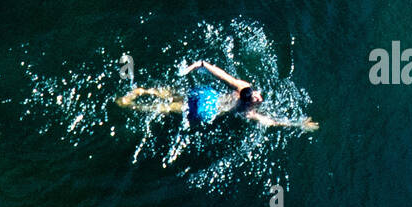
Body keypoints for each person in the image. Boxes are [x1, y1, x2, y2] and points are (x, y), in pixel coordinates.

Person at [116, 60, 318, 130]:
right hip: (208, 108)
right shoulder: (246, 110)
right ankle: (130, 105)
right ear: (247, 100)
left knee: (176, 96)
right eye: (255, 98)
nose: (258, 97)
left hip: (206, 95)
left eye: (256, 96)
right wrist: (298, 124)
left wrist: (200, 65)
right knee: (169, 108)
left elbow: (222, 74)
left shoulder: (242, 86)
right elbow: (270, 122)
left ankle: (143, 91)